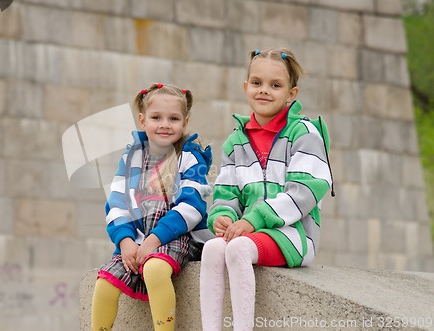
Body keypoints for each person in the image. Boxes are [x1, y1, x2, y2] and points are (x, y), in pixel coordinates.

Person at [200, 48, 334, 331]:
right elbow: (226, 191)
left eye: (276, 85)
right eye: (257, 83)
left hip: (295, 235)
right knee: (212, 248)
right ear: (245, 87)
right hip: (251, 231)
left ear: (291, 93)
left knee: (237, 249)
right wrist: (222, 216)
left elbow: (305, 191)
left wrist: (254, 219)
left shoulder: (304, 134)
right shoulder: (236, 140)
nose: (264, 91)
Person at [91, 83, 214, 331]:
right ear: (142, 120)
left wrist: (153, 241)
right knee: (105, 282)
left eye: (174, 118)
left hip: (179, 236)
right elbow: (116, 204)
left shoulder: (189, 157)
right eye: (156, 117)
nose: (165, 124)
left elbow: (191, 208)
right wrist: (125, 242)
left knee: (155, 269)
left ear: (185, 122)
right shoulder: (131, 159)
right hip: (137, 240)